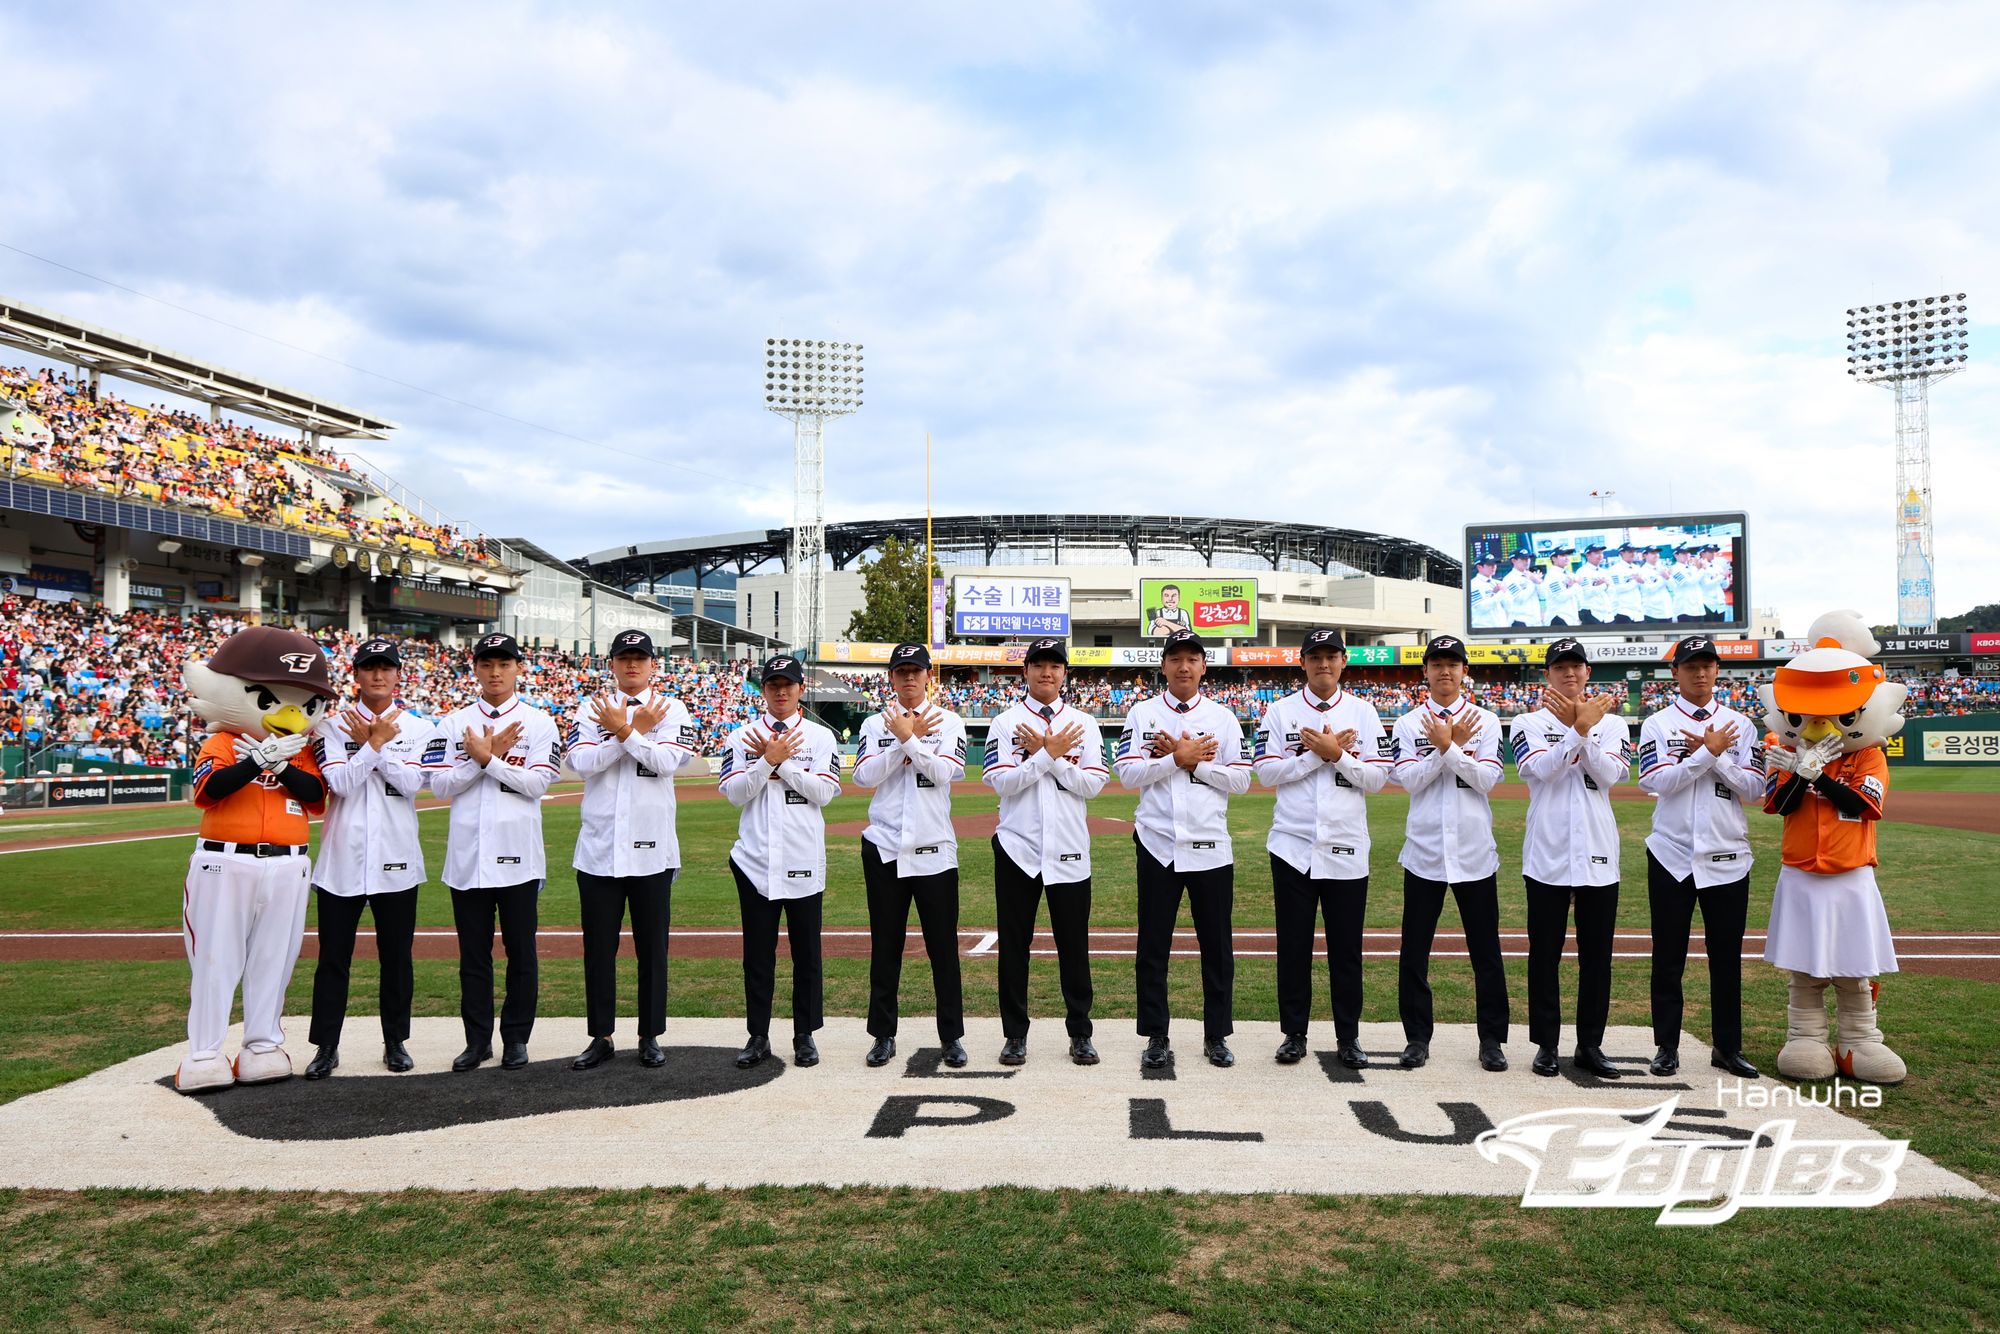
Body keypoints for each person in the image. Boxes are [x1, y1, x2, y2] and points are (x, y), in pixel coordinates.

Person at [1254, 627, 1392, 1068]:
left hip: (1347, 847)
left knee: (1346, 949)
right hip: (1292, 846)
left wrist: (1338, 755)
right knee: (1293, 946)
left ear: (1344, 661)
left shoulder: (1365, 712)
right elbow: (1265, 773)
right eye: (1316, 656)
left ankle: (1348, 1036)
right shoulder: (1279, 712)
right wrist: (1315, 755)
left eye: (1332, 656)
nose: (1324, 664)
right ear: (1303, 662)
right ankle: (1294, 1033)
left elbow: (1376, 778)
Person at [1117, 628, 1253, 1069]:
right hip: (1157, 844)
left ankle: (1216, 1035)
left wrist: (1198, 761)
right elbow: (1126, 775)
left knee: (1217, 947)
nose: (1183, 666)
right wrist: (1173, 759)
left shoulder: (1224, 719)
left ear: (1203, 666)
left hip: (1211, 846)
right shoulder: (1142, 714)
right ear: (1163, 666)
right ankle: (1156, 1035)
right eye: (1175, 657)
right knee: (1153, 947)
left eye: (1192, 658)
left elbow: (1242, 780)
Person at [566, 629, 700, 1072]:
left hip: (653, 848)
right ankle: (601, 1036)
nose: (632, 665)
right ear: (613, 664)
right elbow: (580, 764)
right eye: (624, 657)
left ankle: (650, 1035)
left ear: (652, 665)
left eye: (640, 657)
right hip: (599, 849)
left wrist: (623, 731)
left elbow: (665, 763)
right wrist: (629, 734)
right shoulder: (590, 708)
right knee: (598, 949)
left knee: (652, 949)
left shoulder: (672, 708)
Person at [429, 632, 563, 1074]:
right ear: (475, 669)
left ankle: (517, 1039)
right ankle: (477, 1041)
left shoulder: (539, 722)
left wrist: (489, 761)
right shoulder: (453, 722)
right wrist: (476, 760)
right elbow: (439, 786)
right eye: (487, 664)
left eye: (504, 664)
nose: (495, 672)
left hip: (519, 855)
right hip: (467, 859)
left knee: (522, 953)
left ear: (518, 668)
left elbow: (538, 784)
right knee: (474, 956)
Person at [303, 637, 432, 1080]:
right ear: (355, 675)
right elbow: (339, 783)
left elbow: (414, 784)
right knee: (333, 959)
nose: (378, 675)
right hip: (341, 859)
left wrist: (372, 747)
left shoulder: (418, 728)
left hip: (397, 857)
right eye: (369, 667)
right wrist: (378, 746)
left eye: (386, 668)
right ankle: (326, 1046)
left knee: (396, 957)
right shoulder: (331, 727)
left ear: (398, 675)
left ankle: (395, 1041)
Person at [1638, 636, 1764, 1078]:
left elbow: (1754, 789)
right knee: (1667, 957)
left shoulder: (1740, 724)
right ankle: (1666, 1047)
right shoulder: (1658, 723)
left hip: (1728, 855)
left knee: (1726, 958)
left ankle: (1727, 1049)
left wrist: (1714, 758)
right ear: (1675, 672)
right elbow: (1655, 781)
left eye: (1707, 664)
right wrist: (1706, 754)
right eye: (1690, 665)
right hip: (1671, 854)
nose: (1700, 672)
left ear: (1717, 671)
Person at [984, 637, 1109, 1066]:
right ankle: (1015, 1035)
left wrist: (1050, 756)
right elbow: (1001, 782)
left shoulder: (1084, 724)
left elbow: (1093, 784)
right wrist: (1046, 755)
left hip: (1070, 851)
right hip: (1017, 848)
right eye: (1038, 664)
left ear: (1064, 673)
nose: (1047, 672)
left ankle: (1080, 1033)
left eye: (1055, 665)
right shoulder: (1004, 723)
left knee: (1074, 947)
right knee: (1014, 947)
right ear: (1026, 671)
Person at [1387, 635, 1509, 1072]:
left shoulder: (1487, 720)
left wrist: (1448, 746)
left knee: (1486, 953)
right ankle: (1417, 1038)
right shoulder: (1406, 723)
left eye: (1453, 663)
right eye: (1437, 663)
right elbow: (1410, 781)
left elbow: (1487, 780)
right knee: (1414, 952)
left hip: (1475, 852)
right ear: (1426, 671)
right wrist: (1447, 748)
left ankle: (1492, 1041)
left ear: (1464, 670)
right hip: (1424, 852)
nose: (1445, 671)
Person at [1510, 637, 1629, 1079]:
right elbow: (1540, 770)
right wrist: (1576, 730)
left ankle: (1590, 1045)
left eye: (1577, 666)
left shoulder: (1612, 724)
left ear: (1587, 673)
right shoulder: (1526, 722)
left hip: (1598, 850)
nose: (1570, 674)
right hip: (1548, 851)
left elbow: (1611, 773)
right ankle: (1546, 1044)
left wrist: (1586, 729)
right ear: (1548, 676)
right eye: (1560, 667)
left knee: (1596, 957)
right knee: (1545, 953)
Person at [720, 655, 842, 1069]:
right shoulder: (742, 737)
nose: (781, 691)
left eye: (788, 684)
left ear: (801, 689)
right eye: (773, 684)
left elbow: (824, 794)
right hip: (754, 860)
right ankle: (758, 1035)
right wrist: (764, 761)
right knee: (758, 953)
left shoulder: (821, 738)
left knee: (807, 953)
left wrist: (782, 763)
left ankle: (804, 1034)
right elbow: (735, 794)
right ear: (764, 690)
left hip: (804, 856)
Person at [852, 642, 969, 1068]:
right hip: (884, 847)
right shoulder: (872, 723)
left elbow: (942, 773)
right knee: (886, 947)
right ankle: (883, 1035)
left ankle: (951, 1037)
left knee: (943, 950)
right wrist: (902, 742)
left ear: (927, 676)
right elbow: (864, 775)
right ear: (891, 678)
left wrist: (912, 741)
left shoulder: (949, 721)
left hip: (935, 849)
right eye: (900, 671)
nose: (908, 678)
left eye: (915, 671)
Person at [1540, 545, 1581, 628]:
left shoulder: (1567, 573)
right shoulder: (1552, 575)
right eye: (1562, 555)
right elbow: (1560, 597)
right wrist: (1575, 585)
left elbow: (1580, 581)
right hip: (1558, 617)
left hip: (1570, 618)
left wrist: (1575, 584)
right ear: (1554, 558)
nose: (1567, 558)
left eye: (1567, 555)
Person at [1501, 550, 1543, 629]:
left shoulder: (1531, 575)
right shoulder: (1509, 578)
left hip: (1536, 621)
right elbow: (1520, 598)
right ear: (1514, 561)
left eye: (1528, 558)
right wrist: (1532, 582)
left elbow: (1543, 596)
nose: (1527, 561)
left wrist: (1538, 583)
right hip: (1520, 621)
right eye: (1523, 559)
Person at [1578, 542, 1615, 625]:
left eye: (1601, 553)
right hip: (1591, 613)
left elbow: (1612, 591)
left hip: (1607, 615)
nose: (1600, 555)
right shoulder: (1582, 572)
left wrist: (1602, 585)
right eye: (1596, 553)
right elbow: (1586, 593)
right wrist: (1604, 585)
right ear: (1588, 555)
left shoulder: (1604, 572)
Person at [1468, 556, 1508, 630]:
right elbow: (1480, 608)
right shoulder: (1473, 584)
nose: (1493, 567)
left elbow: (1508, 606)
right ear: (1479, 567)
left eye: (1495, 564)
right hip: (1483, 628)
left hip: (1500, 628)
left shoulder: (1497, 583)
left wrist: (1495, 594)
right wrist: (1501, 593)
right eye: (1489, 565)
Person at [1670, 544, 1707, 622]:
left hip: (1698, 608)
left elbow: (1702, 582)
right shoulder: (1674, 569)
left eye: (1687, 553)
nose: (1686, 555)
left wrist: (1700, 568)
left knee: (1700, 633)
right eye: (1683, 553)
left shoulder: (1693, 568)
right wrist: (1702, 570)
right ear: (1676, 555)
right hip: (1685, 609)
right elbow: (1688, 582)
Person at [1609, 542, 1644, 623]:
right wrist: (1635, 581)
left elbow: (1643, 586)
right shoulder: (1615, 569)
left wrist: (1642, 582)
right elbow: (1617, 589)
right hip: (1623, 612)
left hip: (1638, 612)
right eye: (1630, 551)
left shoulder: (1637, 568)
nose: (1633, 554)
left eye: (1634, 551)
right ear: (1622, 553)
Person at [1638, 547, 1674, 623]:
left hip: (1667, 610)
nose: (1656, 555)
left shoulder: (1662, 568)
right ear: (1645, 555)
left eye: (1657, 553)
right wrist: (1663, 578)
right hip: (1652, 612)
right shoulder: (1642, 571)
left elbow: (1672, 587)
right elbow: (1649, 589)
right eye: (1652, 553)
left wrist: (1667, 577)